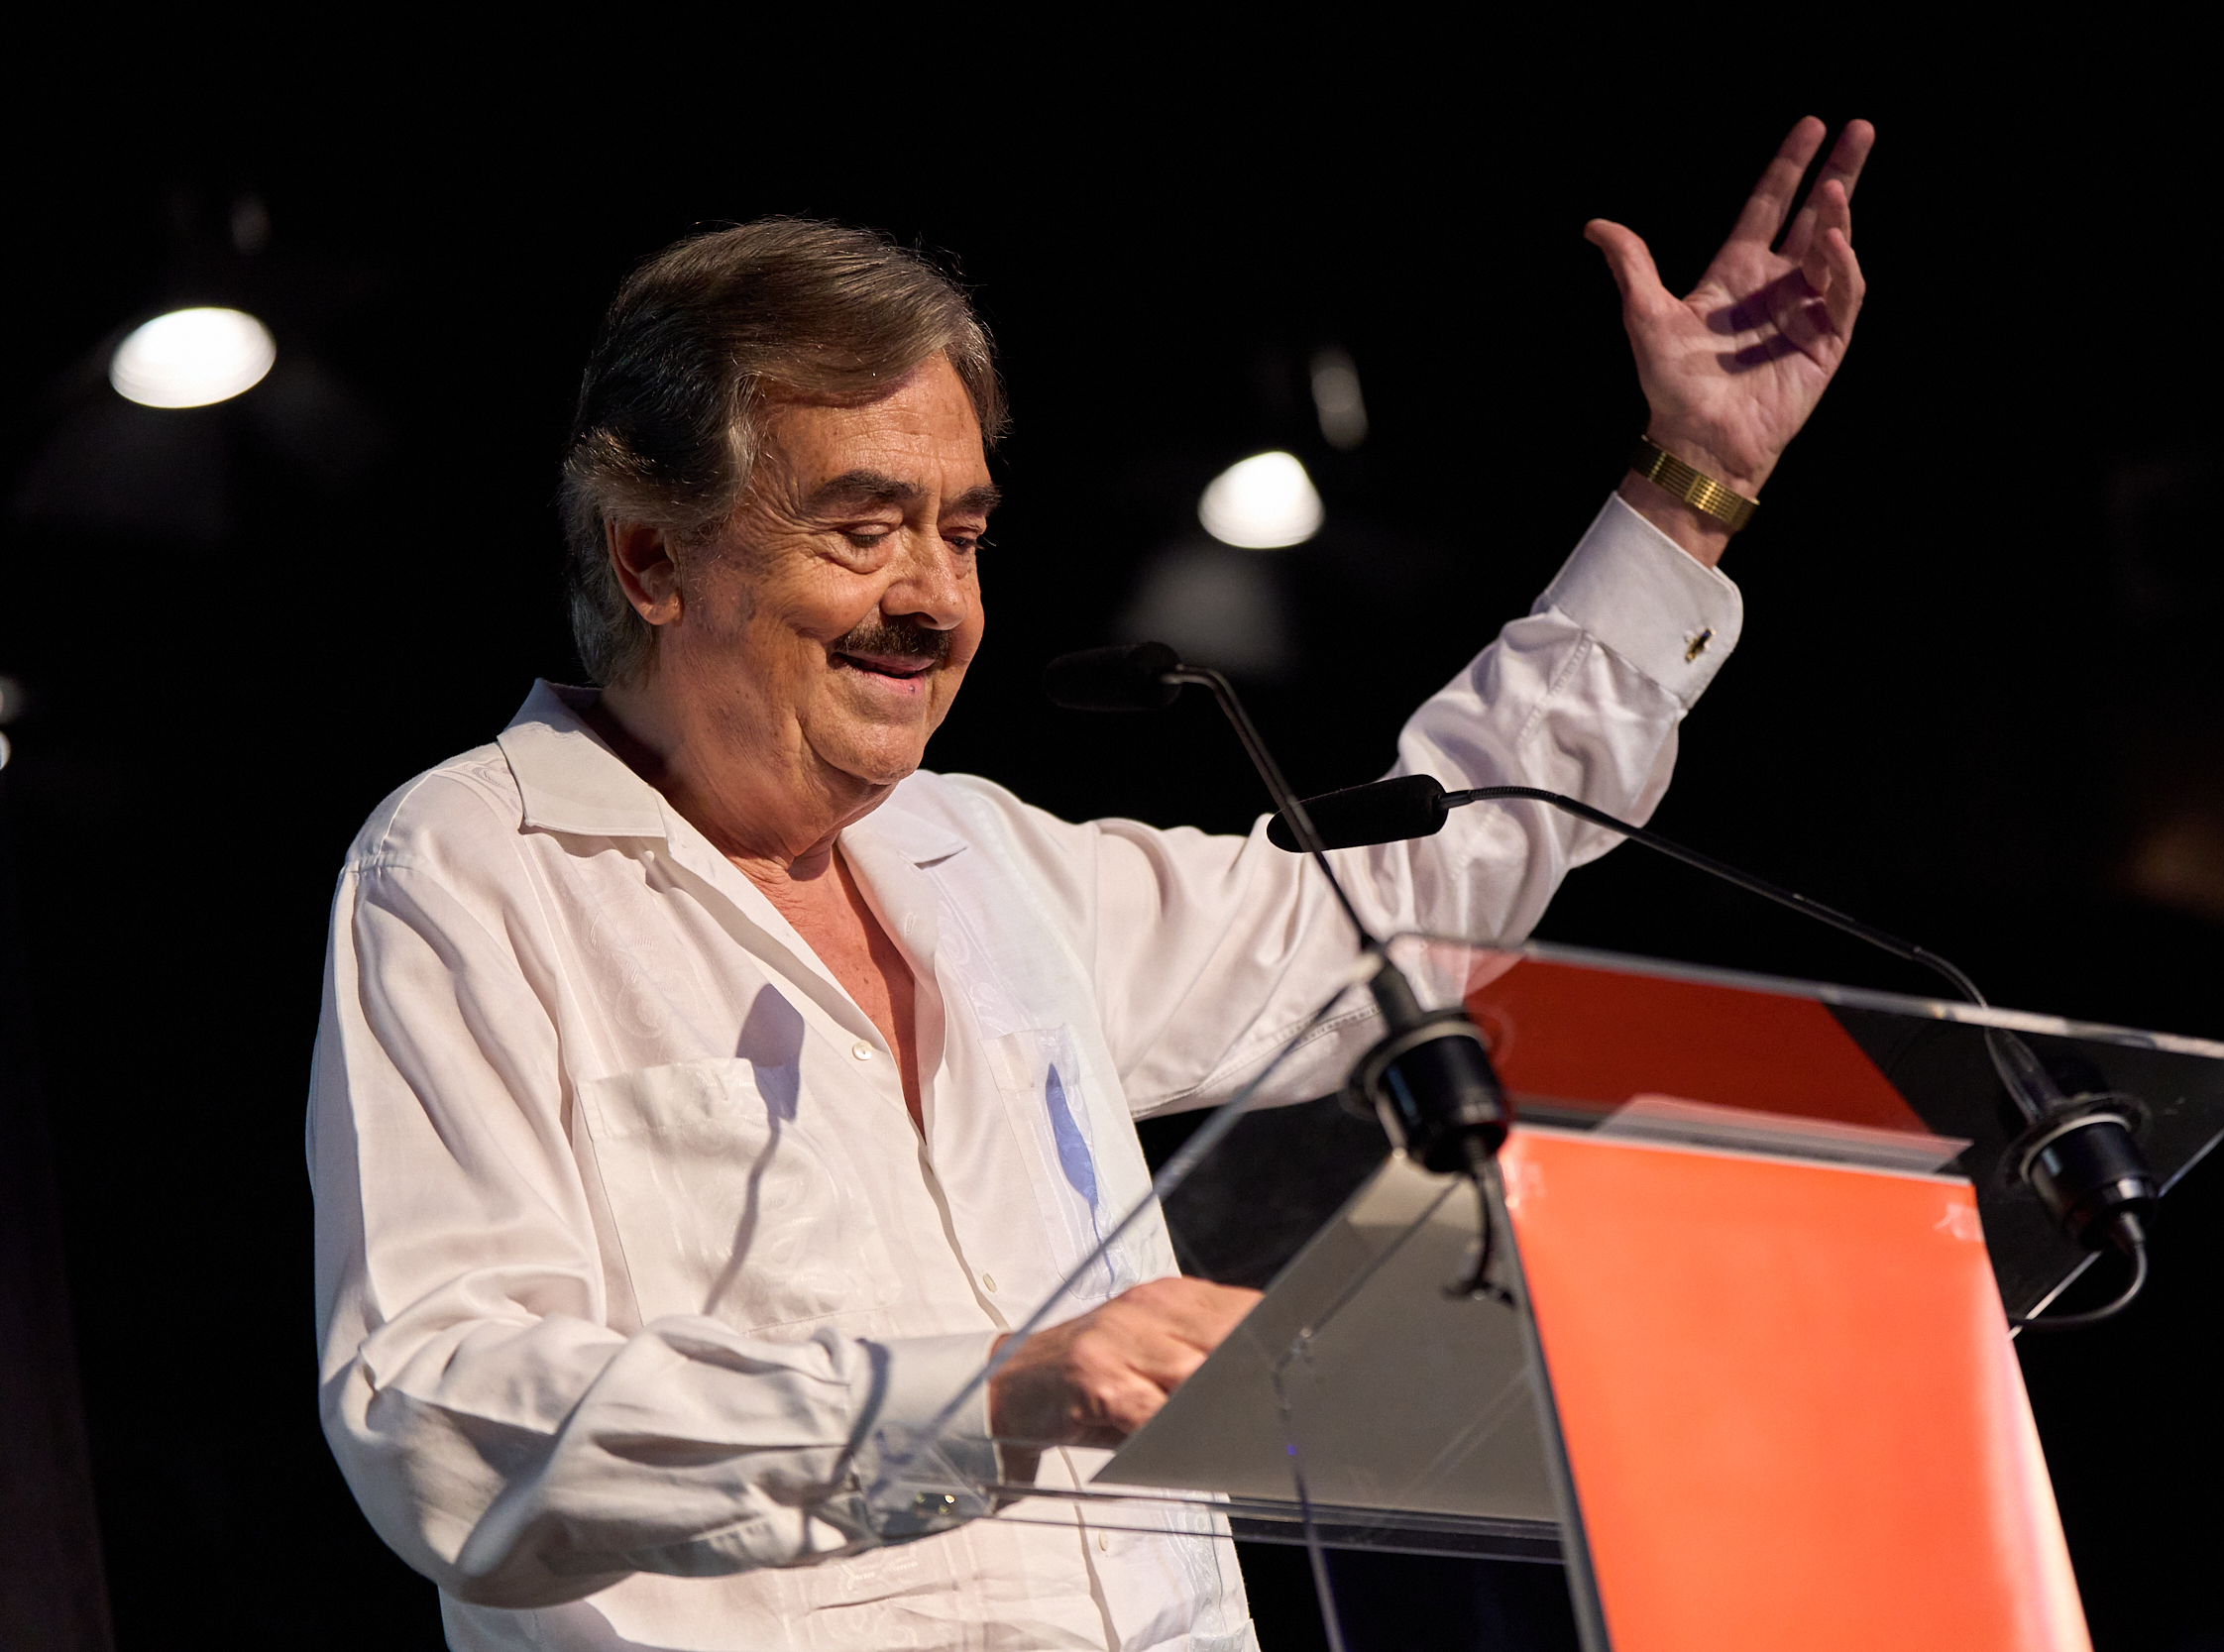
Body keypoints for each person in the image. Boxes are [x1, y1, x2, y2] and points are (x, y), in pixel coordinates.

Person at [310, 117, 1873, 1651]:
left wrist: (1689, 492)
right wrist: (992, 1392)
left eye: (963, 535)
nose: (935, 601)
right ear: (651, 557)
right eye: (863, 529)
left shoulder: (986, 860)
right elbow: (439, 1412)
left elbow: (1401, 908)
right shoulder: (471, 869)